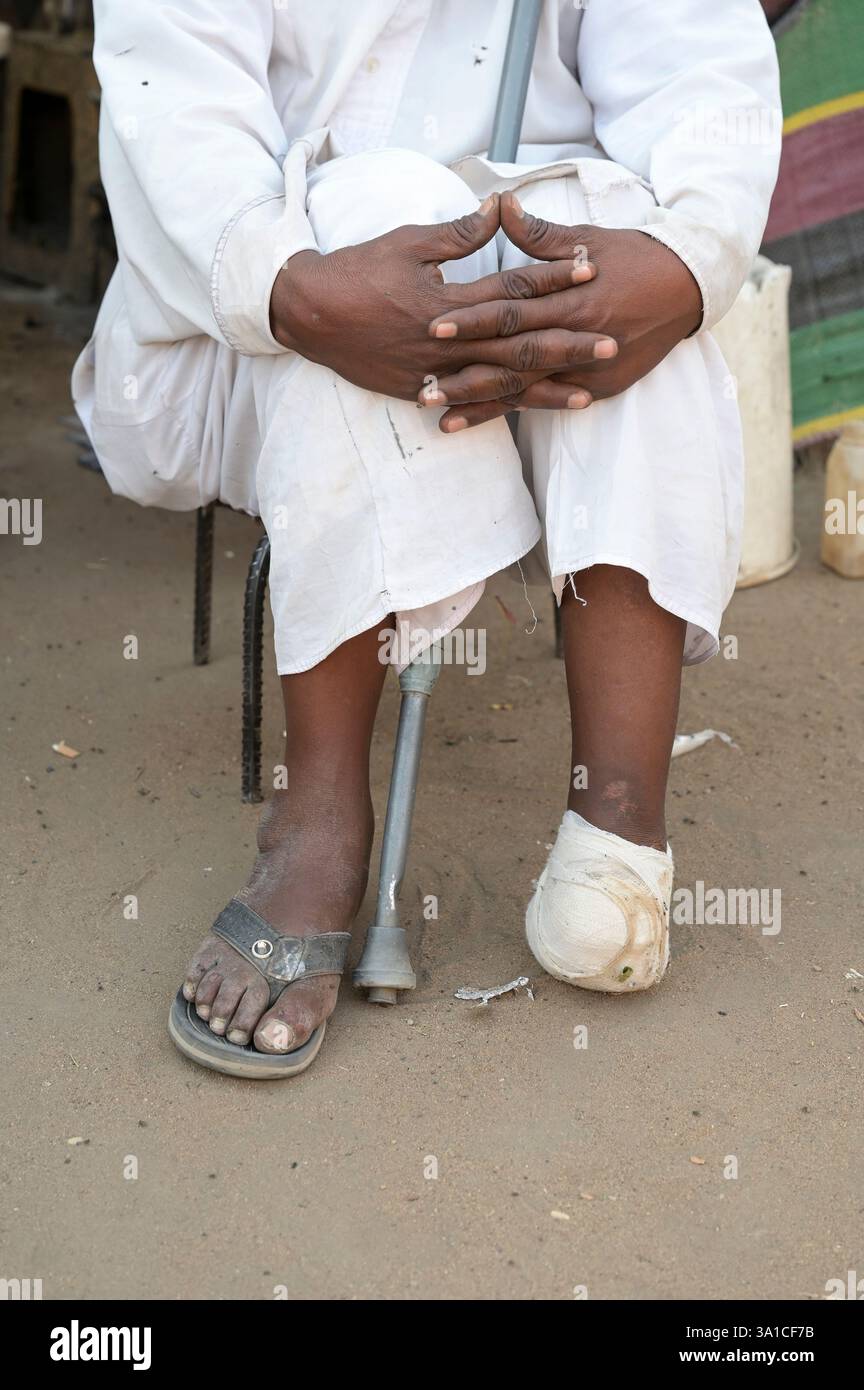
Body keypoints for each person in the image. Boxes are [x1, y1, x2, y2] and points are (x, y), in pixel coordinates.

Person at [73, 0, 781, 1077]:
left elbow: (696, 71)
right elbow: (174, 104)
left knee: (622, 246)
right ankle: (316, 824)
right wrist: (294, 287)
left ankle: (617, 828)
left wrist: (681, 266)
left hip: (540, 292)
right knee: (375, 212)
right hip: (263, 295)